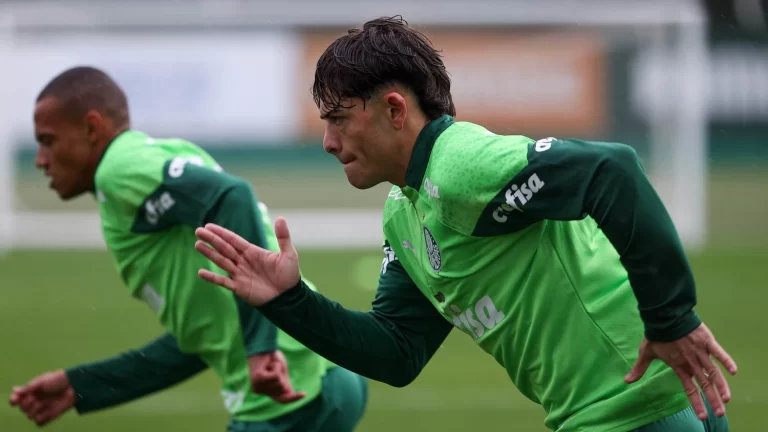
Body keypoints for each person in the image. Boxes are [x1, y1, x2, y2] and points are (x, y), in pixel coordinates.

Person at [194, 16, 739, 432]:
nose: (328, 141)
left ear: (394, 109)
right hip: (638, 406)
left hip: (634, 409)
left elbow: (611, 169)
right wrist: (289, 301)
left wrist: (671, 319)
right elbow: (396, 350)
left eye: (338, 118)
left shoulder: (459, 165)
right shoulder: (403, 213)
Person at [8, 66, 368, 432]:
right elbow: (201, 338)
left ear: (91, 128)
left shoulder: (118, 167)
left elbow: (232, 195)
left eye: (48, 141)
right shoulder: (150, 163)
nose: (40, 159)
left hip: (287, 397)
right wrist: (81, 386)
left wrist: (261, 349)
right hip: (324, 373)